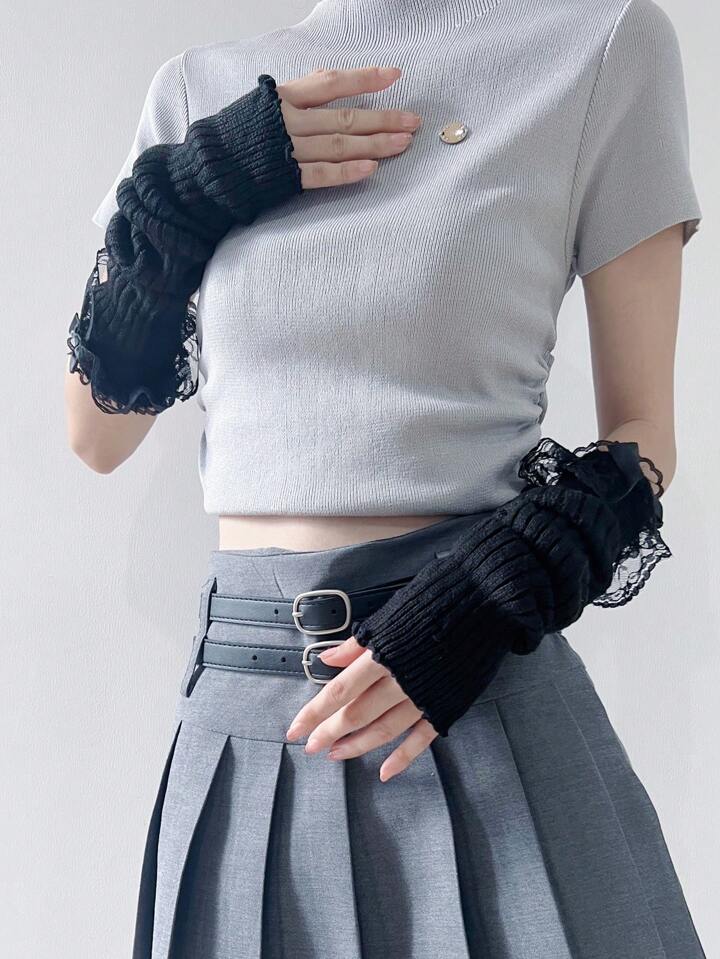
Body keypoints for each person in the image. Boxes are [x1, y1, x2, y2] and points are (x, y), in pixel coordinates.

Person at [65, 0, 708, 956]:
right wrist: (188, 199)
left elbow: (643, 435)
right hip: (243, 708)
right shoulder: (199, 90)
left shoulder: (602, 46)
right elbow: (97, 433)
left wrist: (482, 602)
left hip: (471, 675)